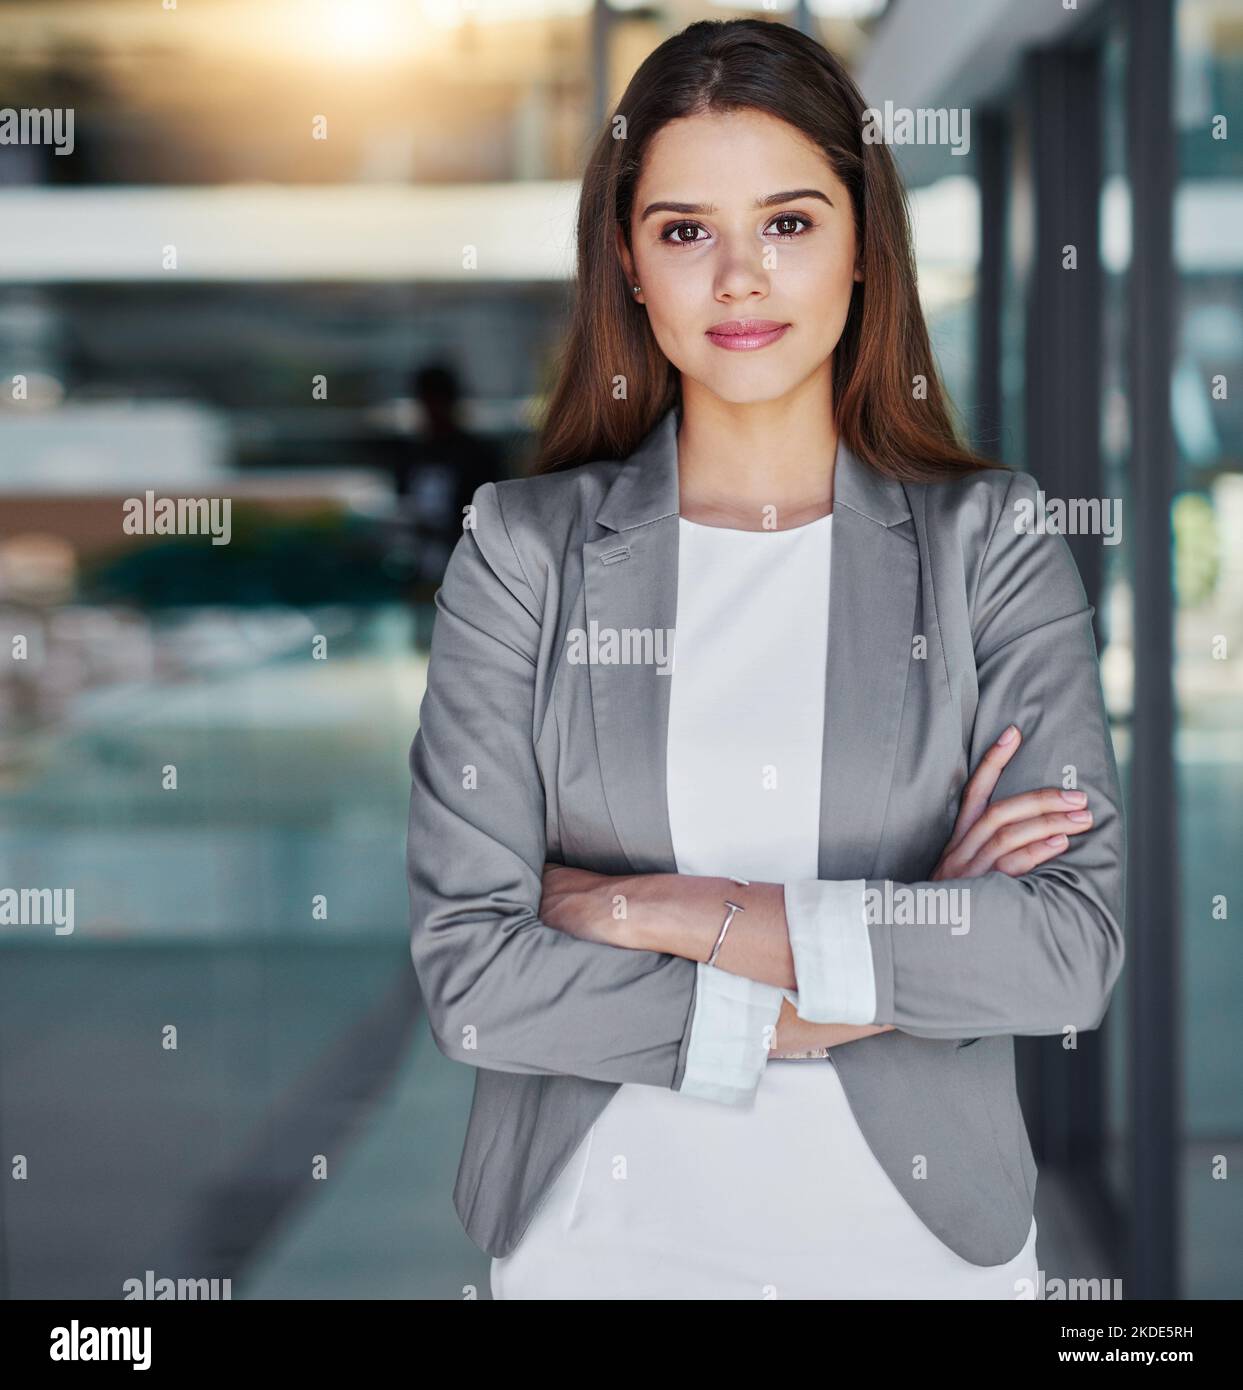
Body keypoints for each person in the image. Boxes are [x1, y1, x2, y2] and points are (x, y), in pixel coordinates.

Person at [406, 18, 1126, 1300]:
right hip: (598, 1244)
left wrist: (657, 908)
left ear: (862, 249)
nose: (739, 277)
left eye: (788, 223)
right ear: (628, 262)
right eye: (686, 231)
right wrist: (888, 953)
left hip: (917, 1253)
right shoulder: (523, 551)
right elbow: (475, 982)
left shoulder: (989, 544)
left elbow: (1060, 951)